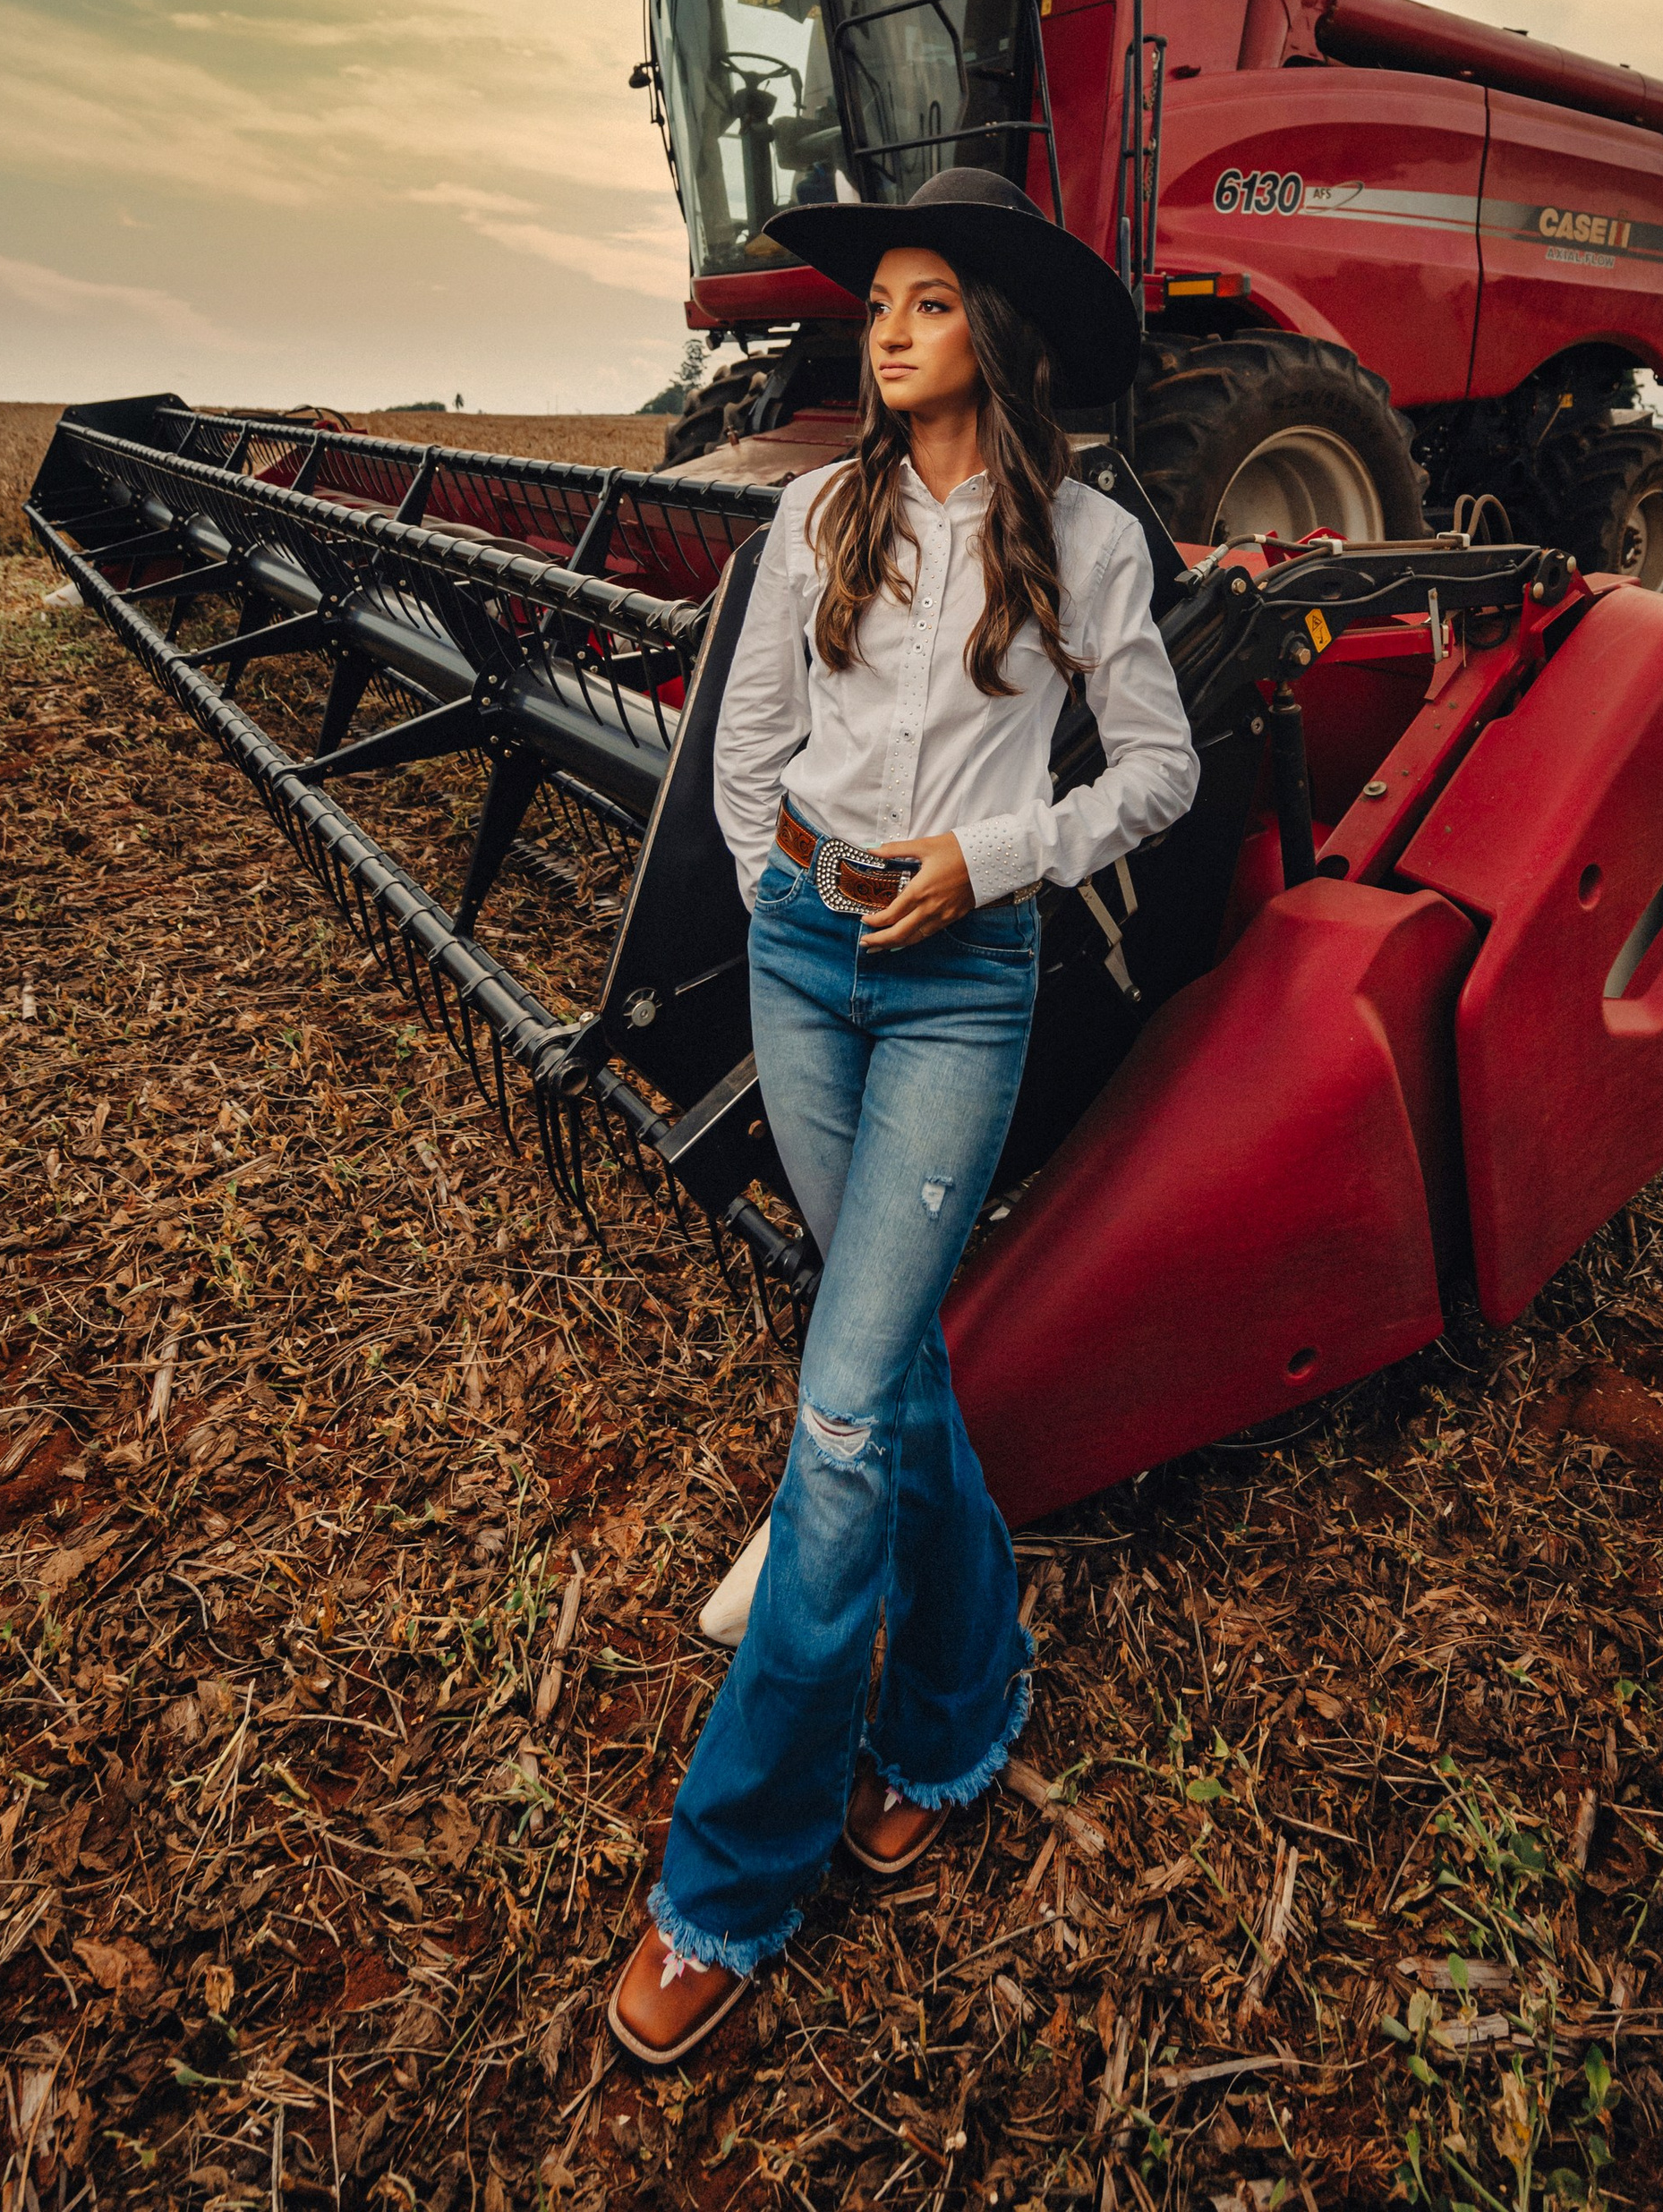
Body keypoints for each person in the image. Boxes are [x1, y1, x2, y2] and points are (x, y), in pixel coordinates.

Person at [608, 166, 1199, 2065]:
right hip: (807, 965)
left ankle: (723, 1881)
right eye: (879, 302)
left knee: (845, 1414)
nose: (883, 324)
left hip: (959, 985)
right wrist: (780, 874)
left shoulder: (1090, 542)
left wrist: (999, 854)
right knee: (896, 1376)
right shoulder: (808, 513)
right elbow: (748, 738)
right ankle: (956, 1723)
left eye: (926, 300)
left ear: (995, 342)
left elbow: (1164, 772)